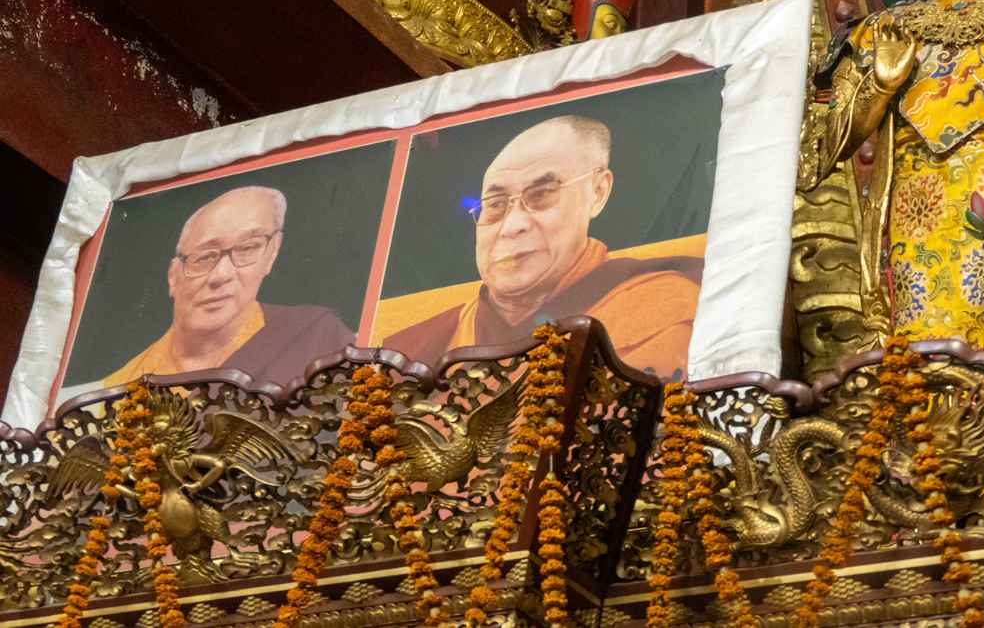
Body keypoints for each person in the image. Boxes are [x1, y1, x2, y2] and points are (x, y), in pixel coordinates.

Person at [820, 0, 984, 354]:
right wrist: (881, 86)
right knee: (927, 337)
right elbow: (831, 143)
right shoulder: (884, 29)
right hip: (917, 204)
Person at [383, 115, 703, 377]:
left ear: (598, 191)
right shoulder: (414, 347)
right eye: (494, 204)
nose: (512, 226)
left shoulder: (664, 306)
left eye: (541, 195)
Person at [102, 186, 355, 388]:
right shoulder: (122, 386)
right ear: (173, 276)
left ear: (272, 253)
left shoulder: (313, 335)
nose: (221, 276)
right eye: (204, 257)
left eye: (247, 249)